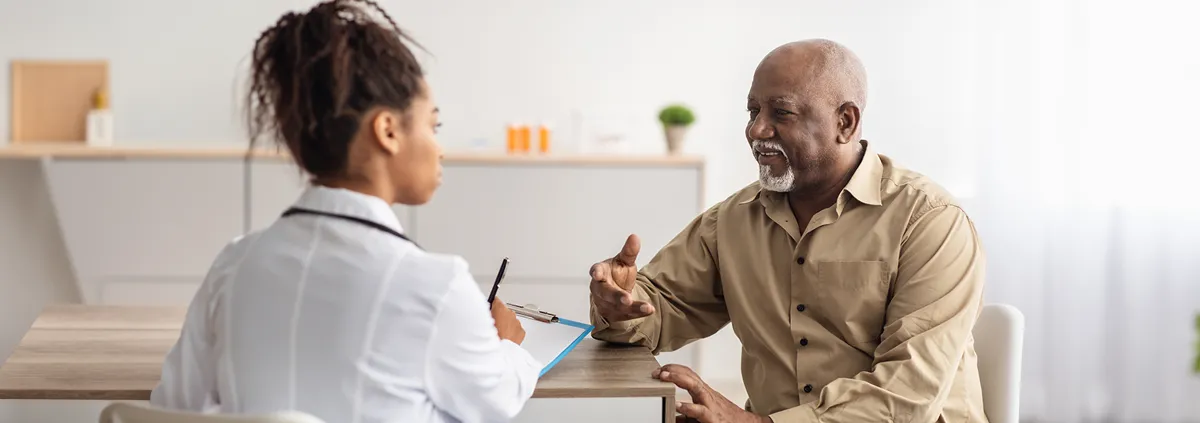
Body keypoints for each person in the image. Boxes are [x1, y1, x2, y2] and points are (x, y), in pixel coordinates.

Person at [149, 1, 541, 422]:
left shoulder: (234, 266)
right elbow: (495, 402)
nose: (439, 147)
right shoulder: (435, 287)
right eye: (433, 126)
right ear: (388, 131)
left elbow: (175, 406)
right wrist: (507, 346)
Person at [589, 39, 987, 423]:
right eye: (752, 112)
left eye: (782, 113)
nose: (757, 130)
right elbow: (660, 309)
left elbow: (908, 395)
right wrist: (620, 305)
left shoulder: (930, 221)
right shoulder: (732, 220)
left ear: (844, 122)